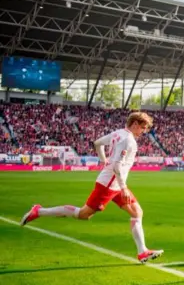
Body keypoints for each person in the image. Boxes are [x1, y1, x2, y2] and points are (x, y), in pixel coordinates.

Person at [19, 112, 164, 263]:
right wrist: (123, 187)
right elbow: (116, 164)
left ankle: (142, 252)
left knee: (137, 212)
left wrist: (104, 161)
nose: (144, 131)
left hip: (114, 184)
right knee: (83, 214)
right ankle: (39, 211)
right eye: (143, 127)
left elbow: (97, 143)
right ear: (134, 124)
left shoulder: (118, 133)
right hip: (109, 185)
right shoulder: (128, 140)